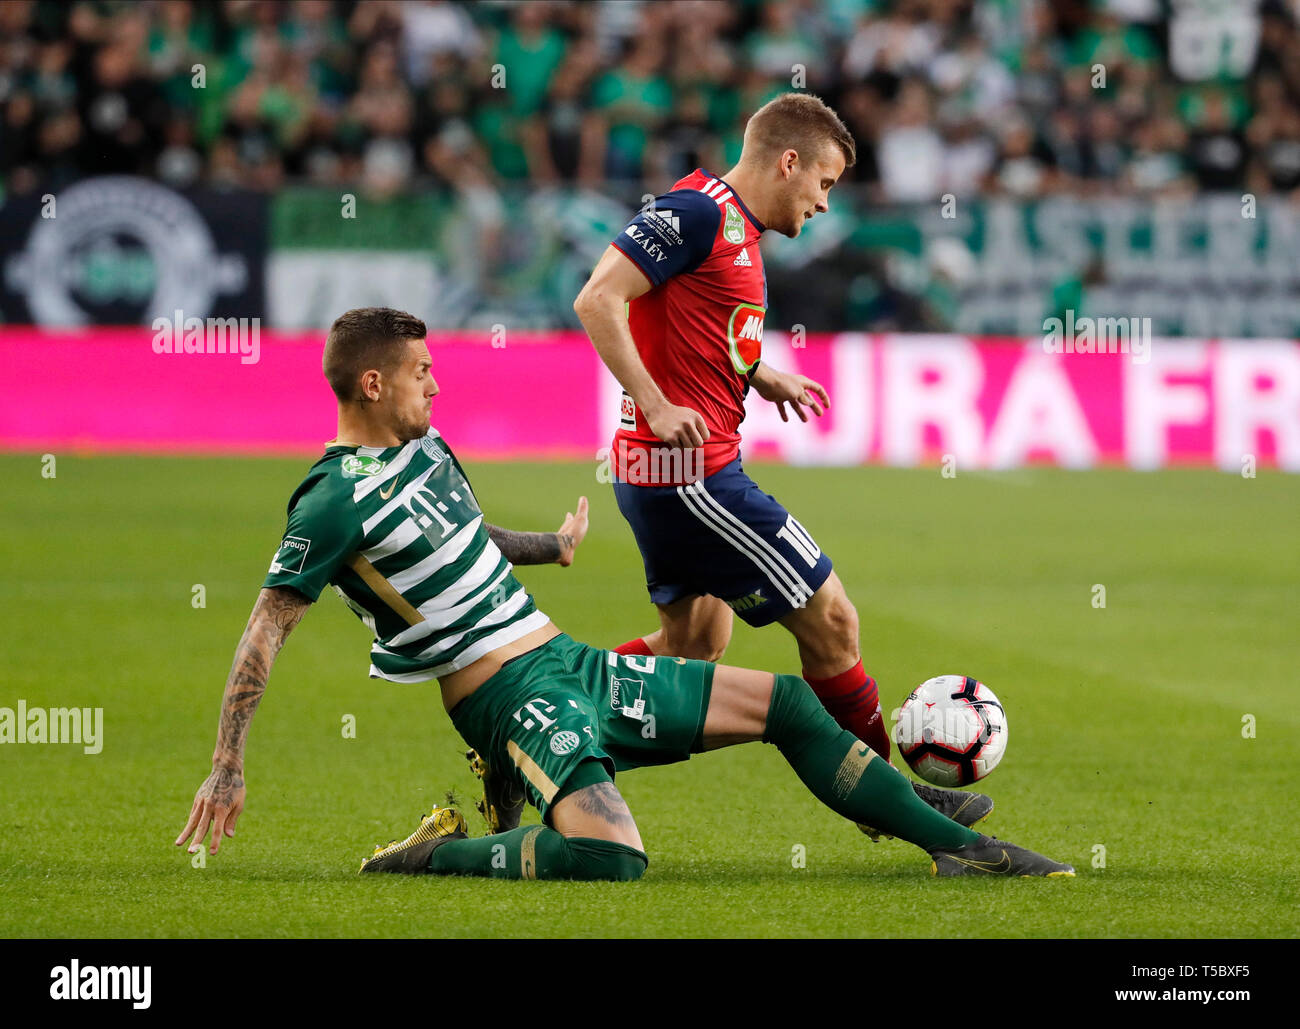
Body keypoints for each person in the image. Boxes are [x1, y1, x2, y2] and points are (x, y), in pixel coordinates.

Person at [174, 307, 1073, 881]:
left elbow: (463, 539)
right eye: (420, 373)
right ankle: (435, 856)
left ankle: (962, 852)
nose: (436, 384)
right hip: (505, 700)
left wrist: (550, 547)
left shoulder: (430, 451)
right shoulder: (331, 499)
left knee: (792, 704)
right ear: (373, 384)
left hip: (571, 663)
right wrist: (227, 759)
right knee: (612, 857)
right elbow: (264, 630)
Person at [572, 91, 981, 834]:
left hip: (663, 477)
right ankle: (891, 796)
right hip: (694, 478)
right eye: (823, 182)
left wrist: (758, 373)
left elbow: (686, 319)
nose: (825, 203)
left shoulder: (725, 220)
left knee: (692, 650)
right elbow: (598, 299)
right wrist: (657, 403)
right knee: (832, 619)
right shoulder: (695, 214)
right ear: (787, 162)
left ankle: (546, 720)